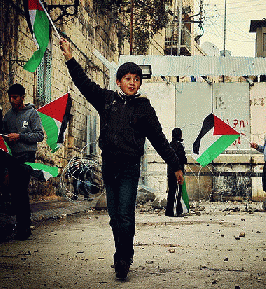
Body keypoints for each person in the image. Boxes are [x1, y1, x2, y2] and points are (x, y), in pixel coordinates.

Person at [59, 38, 183, 280]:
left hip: (129, 168)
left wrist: (176, 165)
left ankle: (124, 257)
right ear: (119, 82)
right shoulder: (106, 100)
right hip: (109, 167)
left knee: (125, 213)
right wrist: (69, 57)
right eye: (128, 79)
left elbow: (159, 140)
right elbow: (83, 84)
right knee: (115, 216)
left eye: (136, 80)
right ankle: (122, 251)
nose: (133, 83)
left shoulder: (144, 108)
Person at [2, 84, 44, 240]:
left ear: (22, 97)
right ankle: (20, 225)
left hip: (26, 157)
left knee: (21, 191)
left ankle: (24, 228)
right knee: (15, 192)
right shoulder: (8, 116)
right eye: (10, 97)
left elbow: (39, 135)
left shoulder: (32, 114)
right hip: (12, 158)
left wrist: (19, 136)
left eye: (15, 97)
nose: (12, 100)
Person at [165, 128, 188, 217]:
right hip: (178, 172)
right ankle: (176, 211)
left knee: (171, 191)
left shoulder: (169, 145)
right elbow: (183, 159)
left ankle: (169, 211)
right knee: (178, 192)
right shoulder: (179, 146)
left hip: (170, 172)